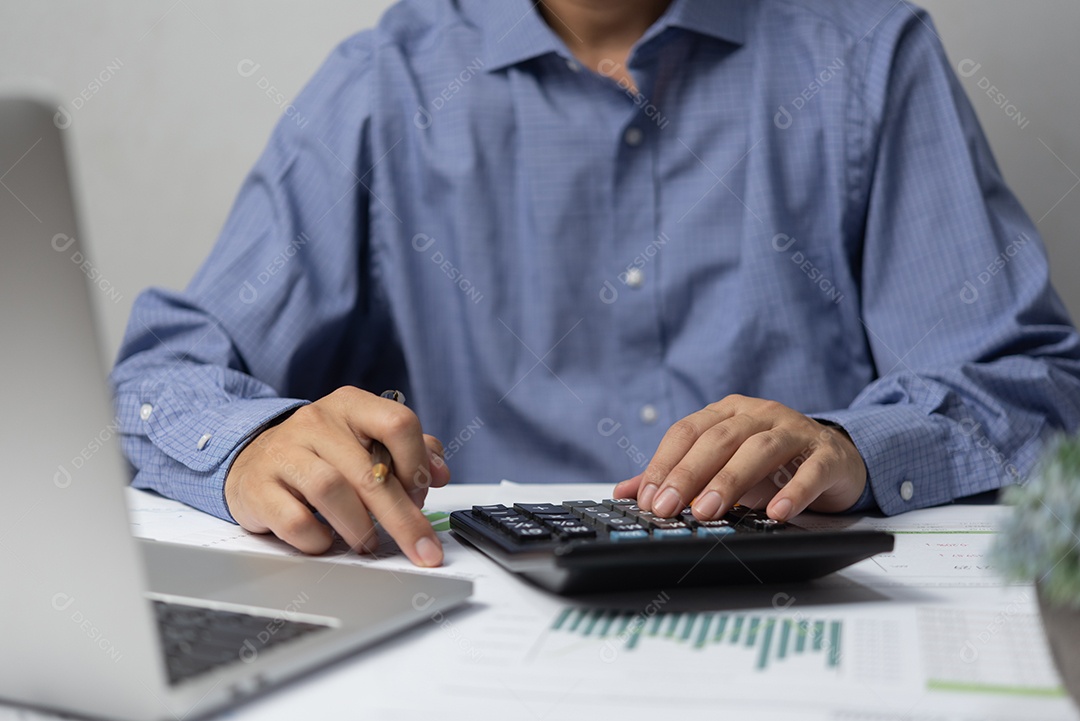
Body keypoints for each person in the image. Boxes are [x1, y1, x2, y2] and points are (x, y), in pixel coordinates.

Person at [111, 0, 1080, 568]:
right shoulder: (386, 82)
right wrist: (248, 445)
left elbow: (1033, 390)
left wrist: (853, 443)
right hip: (472, 623)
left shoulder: (868, 53)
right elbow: (159, 378)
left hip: (802, 610)